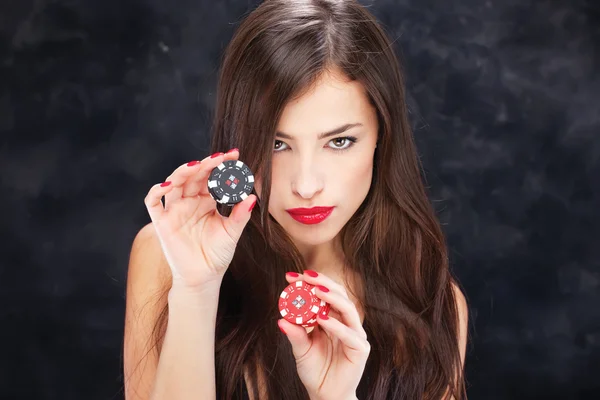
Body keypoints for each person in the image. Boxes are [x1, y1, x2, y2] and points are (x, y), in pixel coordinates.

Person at [123, 0, 469, 399]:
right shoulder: (168, 257)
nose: (306, 186)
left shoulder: (428, 300)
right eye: (276, 143)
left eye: (339, 142)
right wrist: (196, 290)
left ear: (382, 139)